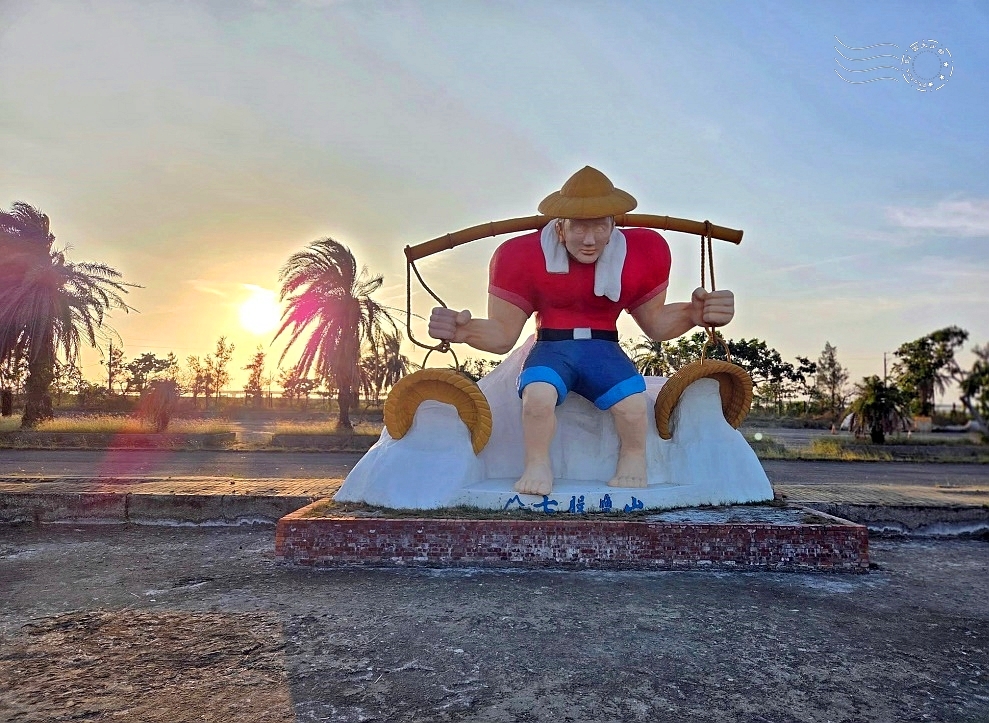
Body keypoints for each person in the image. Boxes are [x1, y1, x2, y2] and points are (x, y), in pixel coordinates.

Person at [429, 167, 734, 496]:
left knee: (632, 405)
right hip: (552, 347)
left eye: (600, 226)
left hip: (603, 349)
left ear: (613, 226)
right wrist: (463, 330)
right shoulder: (521, 256)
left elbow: (657, 324)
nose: (589, 241)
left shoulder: (641, 253)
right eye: (578, 227)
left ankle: (633, 458)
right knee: (537, 398)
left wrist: (693, 313)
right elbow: (503, 335)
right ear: (560, 227)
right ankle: (536, 463)